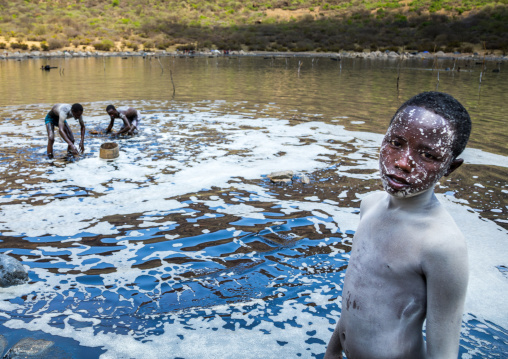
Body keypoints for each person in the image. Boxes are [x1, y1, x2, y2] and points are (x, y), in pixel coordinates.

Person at [325, 92, 471, 359]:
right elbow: (354, 304)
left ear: (450, 167)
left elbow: (444, 352)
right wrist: (333, 351)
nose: (403, 162)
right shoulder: (369, 206)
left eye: (428, 154)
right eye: (395, 143)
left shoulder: (442, 245)